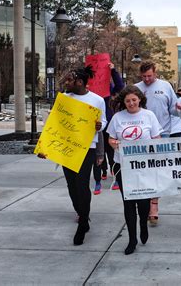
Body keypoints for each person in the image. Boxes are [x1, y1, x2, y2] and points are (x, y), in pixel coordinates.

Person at [39, 66, 107, 246]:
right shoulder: (64, 99)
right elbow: (54, 123)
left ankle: (83, 222)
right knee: (71, 184)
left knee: (82, 184)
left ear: (79, 82)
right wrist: (44, 147)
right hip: (66, 146)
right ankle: (81, 212)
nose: (65, 83)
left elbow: (104, 120)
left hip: (87, 147)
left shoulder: (97, 100)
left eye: (68, 80)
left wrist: (101, 125)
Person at [107, 85, 163, 255]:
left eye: (134, 100)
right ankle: (132, 239)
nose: (131, 103)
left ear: (139, 99)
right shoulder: (118, 117)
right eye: (127, 101)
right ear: (123, 102)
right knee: (129, 202)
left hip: (145, 166)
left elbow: (157, 138)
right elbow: (111, 138)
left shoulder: (149, 115)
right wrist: (114, 144)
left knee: (144, 202)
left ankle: (143, 225)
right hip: (123, 166)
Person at [135, 60, 181, 225]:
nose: (147, 79)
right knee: (144, 171)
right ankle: (145, 201)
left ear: (155, 73)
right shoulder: (136, 88)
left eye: (150, 76)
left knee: (157, 171)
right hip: (141, 136)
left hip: (163, 134)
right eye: (144, 76)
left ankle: (154, 204)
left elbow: (173, 110)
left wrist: (180, 108)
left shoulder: (166, 86)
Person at [92, 62, 124, 193]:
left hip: (109, 125)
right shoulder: (90, 90)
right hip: (95, 126)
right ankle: (98, 180)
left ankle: (116, 178)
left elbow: (120, 86)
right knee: (98, 154)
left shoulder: (108, 88)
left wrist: (113, 71)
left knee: (111, 153)